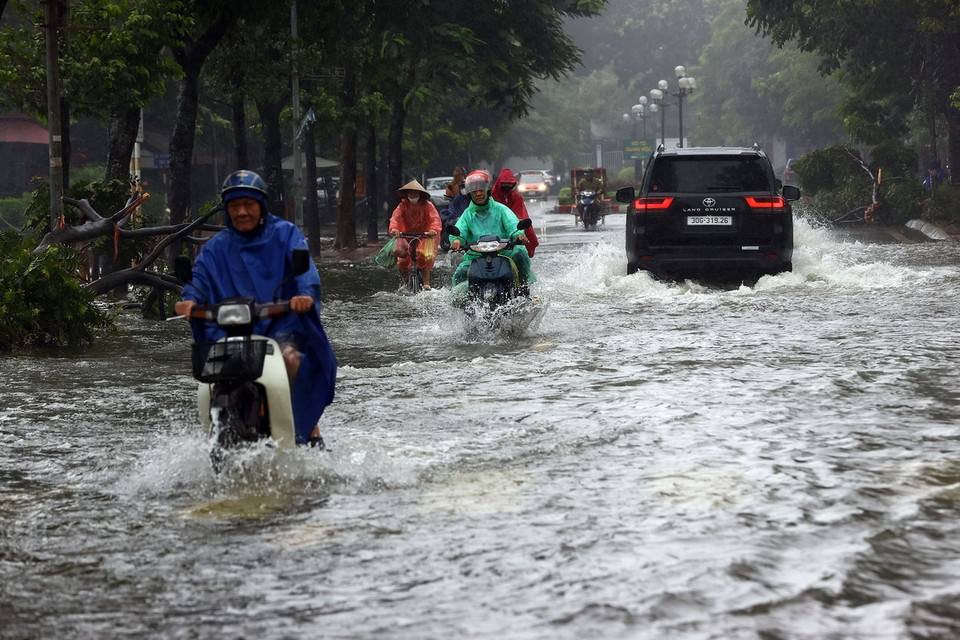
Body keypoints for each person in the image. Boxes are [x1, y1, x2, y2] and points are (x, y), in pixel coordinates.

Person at [174, 170, 337, 447]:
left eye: (248, 204)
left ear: (261, 206)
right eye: (235, 206)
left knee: (292, 359)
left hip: (281, 325)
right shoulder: (215, 248)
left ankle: (305, 424)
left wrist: (304, 295)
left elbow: (305, 273)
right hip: (231, 330)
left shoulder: (286, 234)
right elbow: (199, 277)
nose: (241, 212)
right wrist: (189, 299)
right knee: (211, 373)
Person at [449, 169, 534, 286]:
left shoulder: (501, 209)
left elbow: (512, 223)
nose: (478, 194)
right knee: (460, 273)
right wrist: (457, 240)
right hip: (477, 255)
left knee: (519, 254)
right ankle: (462, 297)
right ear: (470, 194)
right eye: (474, 191)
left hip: (504, 252)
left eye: (481, 190)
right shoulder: (467, 214)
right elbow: (460, 229)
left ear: (488, 191)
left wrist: (518, 235)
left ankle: (524, 287)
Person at [388, 179, 443, 289]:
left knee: (424, 257)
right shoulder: (402, 206)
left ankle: (427, 283)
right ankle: (405, 282)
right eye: (410, 192)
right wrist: (394, 228)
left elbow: (435, 219)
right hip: (406, 235)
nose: (412, 195)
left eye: (415, 193)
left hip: (424, 235)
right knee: (402, 260)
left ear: (420, 194)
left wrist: (433, 229)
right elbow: (395, 219)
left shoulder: (428, 206)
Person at [491, 168, 540, 258]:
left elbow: (520, 217)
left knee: (520, 255)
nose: (507, 186)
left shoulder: (516, 198)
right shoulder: (489, 197)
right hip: (490, 236)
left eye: (510, 183)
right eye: (505, 183)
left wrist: (520, 234)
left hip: (513, 235)